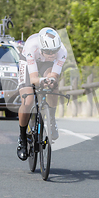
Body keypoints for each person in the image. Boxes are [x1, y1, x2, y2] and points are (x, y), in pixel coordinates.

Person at [16, 27, 67, 160]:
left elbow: (54, 74)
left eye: (54, 51)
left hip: (46, 64)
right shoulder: (32, 46)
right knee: (28, 101)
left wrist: (50, 80)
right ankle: (22, 139)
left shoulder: (62, 51)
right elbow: (33, 78)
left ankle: (51, 120)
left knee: (53, 86)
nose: (51, 54)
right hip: (28, 62)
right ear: (42, 47)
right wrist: (40, 81)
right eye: (48, 51)